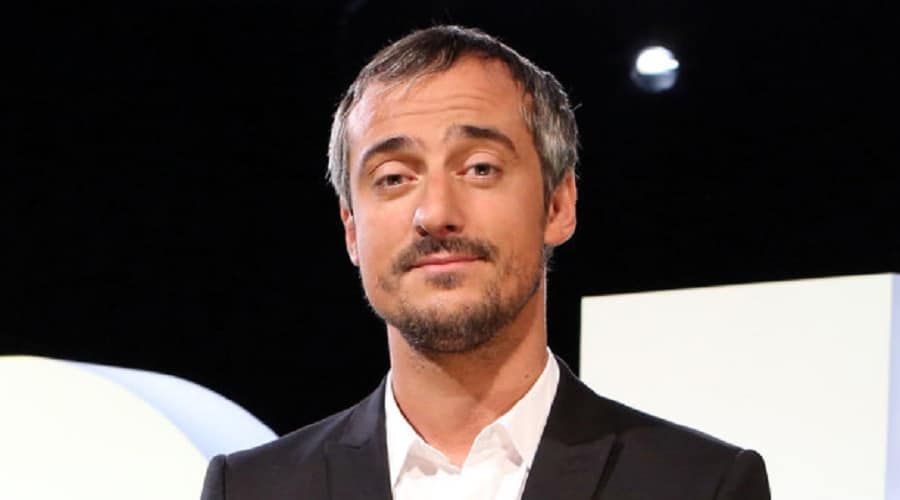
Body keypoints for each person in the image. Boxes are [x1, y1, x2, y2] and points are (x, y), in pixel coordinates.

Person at [200, 25, 770, 499]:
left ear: (557, 204)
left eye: (479, 168)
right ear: (351, 228)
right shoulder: (250, 490)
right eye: (393, 178)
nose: (435, 213)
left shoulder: (699, 486)